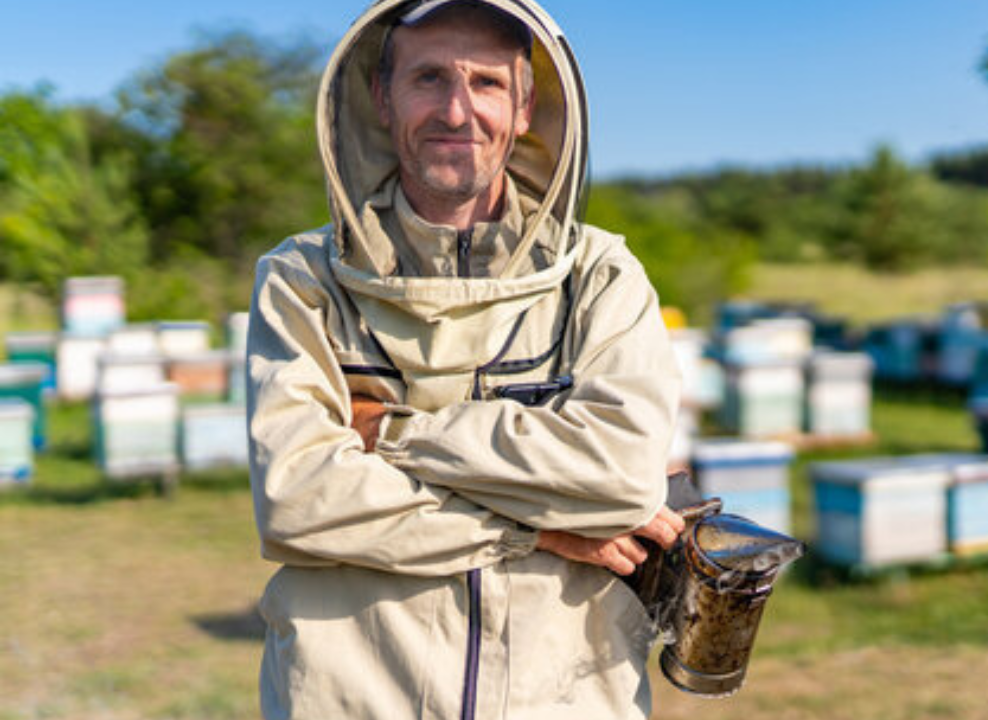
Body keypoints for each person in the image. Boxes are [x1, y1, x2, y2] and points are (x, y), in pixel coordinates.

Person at [246, 1, 685, 718]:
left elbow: (623, 480)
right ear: (383, 100)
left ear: (524, 107)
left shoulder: (599, 274)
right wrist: (536, 529)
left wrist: (389, 435)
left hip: (566, 699)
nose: (457, 109)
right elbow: (298, 503)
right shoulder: (304, 280)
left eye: (485, 83)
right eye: (428, 79)